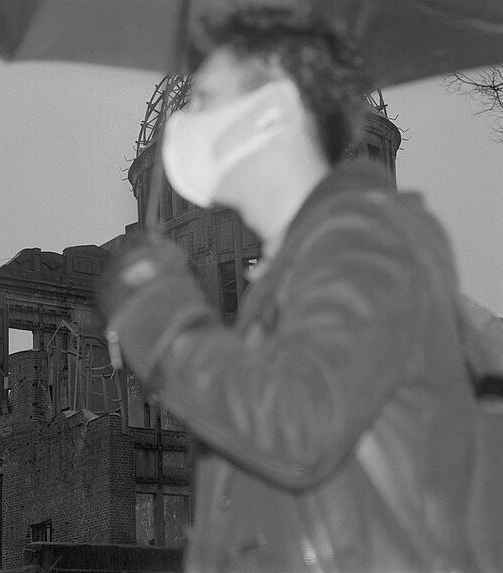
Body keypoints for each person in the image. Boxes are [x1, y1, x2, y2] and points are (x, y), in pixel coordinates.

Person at [98, 7, 480, 572]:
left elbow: (296, 432)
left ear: (272, 113)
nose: (184, 124)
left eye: (207, 101)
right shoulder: (293, 278)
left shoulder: (365, 245)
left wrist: (161, 314)